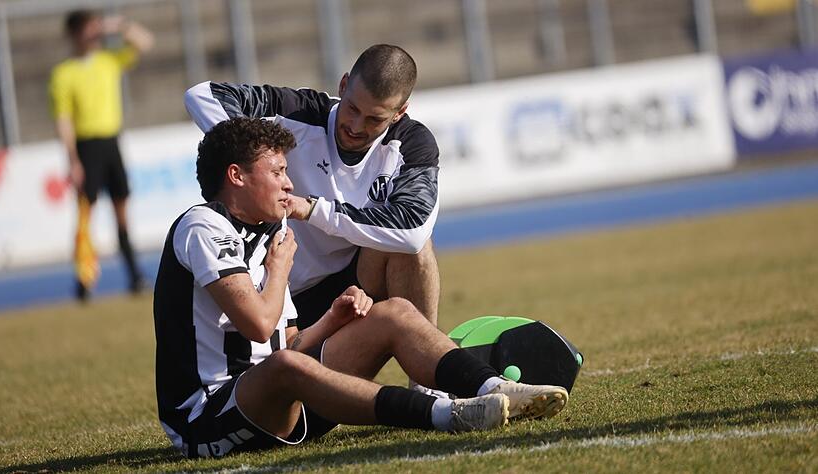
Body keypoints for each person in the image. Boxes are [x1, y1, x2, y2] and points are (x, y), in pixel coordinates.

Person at [153, 117, 568, 458]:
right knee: (285, 369)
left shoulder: (270, 228)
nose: (288, 184)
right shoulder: (203, 225)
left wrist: (333, 319)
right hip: (209, 419)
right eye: (278, 172)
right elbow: (259, 327)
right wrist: (279, 270)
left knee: (395, 313)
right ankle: (447, 414)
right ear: (236, 176)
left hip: (286, 398)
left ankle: (496, 388)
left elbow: (289, 345)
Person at [183, 44, 441, 337]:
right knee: (298, 380)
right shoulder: (300, 111)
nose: (356, 126)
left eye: (374, 119)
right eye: (353, 109)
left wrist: (312, 209)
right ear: (343, 86)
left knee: (415, 250)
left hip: (353, 285)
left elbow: (413, 230)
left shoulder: (412, 144)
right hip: (275, 293)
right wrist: (259, 157)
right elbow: (202, 95)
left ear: (399, 112)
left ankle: (424, 382)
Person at [48, 10, 154, 300]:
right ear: (73, 34)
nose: (92, 34)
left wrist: (119, 25)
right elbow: (64, 119)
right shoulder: (64, 73)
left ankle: (135, 275)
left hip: (111, 143)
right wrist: (72, 159)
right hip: (85, 146)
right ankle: (84, 281)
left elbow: (145, 43)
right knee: (86, 214)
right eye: (86, 29)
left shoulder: (108, 61)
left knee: (122, 211)